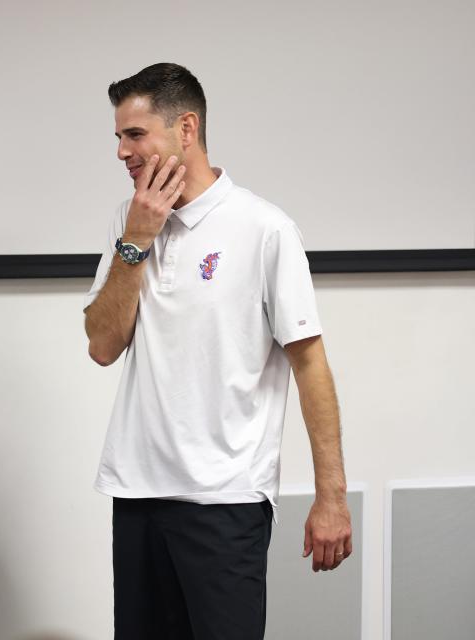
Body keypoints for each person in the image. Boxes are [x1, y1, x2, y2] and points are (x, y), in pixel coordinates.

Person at [83, 63, 352, 639]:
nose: (122, 152)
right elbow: (103, 346)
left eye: (135, 135)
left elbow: (311, 366)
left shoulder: (264, 228)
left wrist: (332, 499)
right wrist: (137, 241)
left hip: (225, 499)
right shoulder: (127, 222)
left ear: (186, 128)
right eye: (118, 137)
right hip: (137, 491)